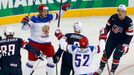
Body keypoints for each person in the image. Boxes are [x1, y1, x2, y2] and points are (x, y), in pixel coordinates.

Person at [21, 3, 70, 75]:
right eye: (44, 11)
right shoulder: (33, 19)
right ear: (40, 12)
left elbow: (58, 15)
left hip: (47, 44)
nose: (46, 13)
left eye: (47, 11)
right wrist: (24, 22)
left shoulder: (49, 17)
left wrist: (63, 9)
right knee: (31, 62)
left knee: (51, 61)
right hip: (34, 44)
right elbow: (24, 28)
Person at [93, 4, 133, 75]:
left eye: (122, 11)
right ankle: (101, 68)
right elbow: (107, 28)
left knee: (116, 56)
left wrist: (126, 45)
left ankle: (112, 71)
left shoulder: (129, 22)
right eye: (118, 11)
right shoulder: (113, 17)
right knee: (106, 54)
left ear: (125, 12)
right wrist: (104, 34)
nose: (119, 13)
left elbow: (129, 35)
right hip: (111, 40)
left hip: (121, 42)